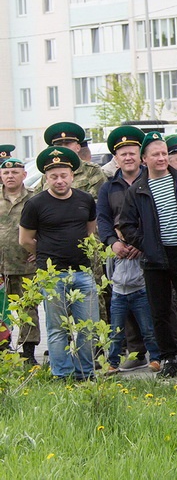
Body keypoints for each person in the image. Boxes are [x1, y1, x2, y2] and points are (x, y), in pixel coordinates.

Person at [119, 132, 177, 379]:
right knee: (160, 311)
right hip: (155, 259)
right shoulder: (137, 190)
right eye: (156, 155)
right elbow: (126, 225)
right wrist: (147, 244)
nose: (162, 158)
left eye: (165, 153)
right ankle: (168, 358)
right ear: (144, 159)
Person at [18, 146, 99, 380]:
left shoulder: (85, 200)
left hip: (82, 273)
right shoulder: (35, 204)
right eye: (54, 176)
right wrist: (45, 252)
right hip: (53, 276)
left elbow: (89, 233)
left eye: (64, 175)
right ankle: (62, 374)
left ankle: (86, 373)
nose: (60, 181)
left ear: (72, 176)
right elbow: (25, 239)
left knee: (87, 328)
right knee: (57, 329)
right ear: (46, 177)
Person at [98, 126, 157, 373]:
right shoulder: (108, 187)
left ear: (141, 156)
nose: (128, 157)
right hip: (120, 254)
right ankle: (135, 353)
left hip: (150, 251)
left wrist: (143, 244)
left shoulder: (154, 180)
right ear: (116, 158)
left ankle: (163, 353)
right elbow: (101, 219)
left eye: (132, 152)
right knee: (123, 304)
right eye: (123, 154)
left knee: (154, 304)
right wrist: (113, 242)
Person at [0, 157, 38, 365]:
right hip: (0, 266)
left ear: (24, 175)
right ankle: (3, 348)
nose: (10, 176)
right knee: (1, 309)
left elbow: (46, 226)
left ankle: (29, 352)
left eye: (15, 172)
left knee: (28, 309)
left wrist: (39, 249)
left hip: (26, 264)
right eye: (6, 173)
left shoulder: (34, 198)